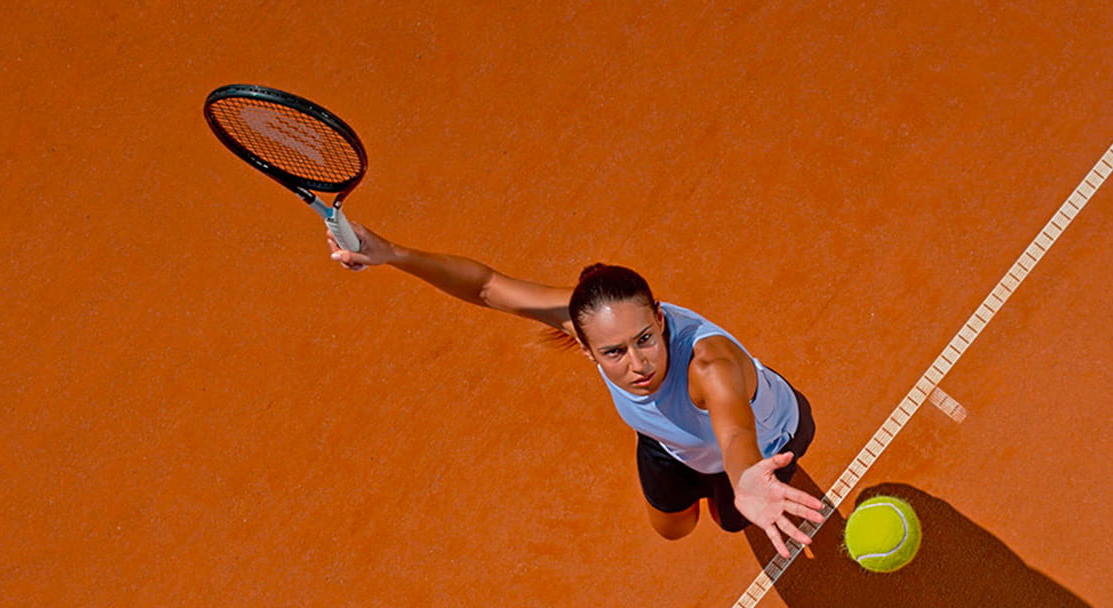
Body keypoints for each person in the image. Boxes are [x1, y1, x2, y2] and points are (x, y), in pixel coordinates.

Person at [329, 224, 825, 557]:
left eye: (646, 340)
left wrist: (745, 482)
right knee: (673, 528)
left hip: (761, 446)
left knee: (731, 518)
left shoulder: (709, 366)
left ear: (659, 318)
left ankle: (731, 493)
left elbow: (736, 431)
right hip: (669, 442)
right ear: (584, 347)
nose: (638, 365)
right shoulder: (586, 324)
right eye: (613, 353)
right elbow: (485, 287)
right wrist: (392, 254)